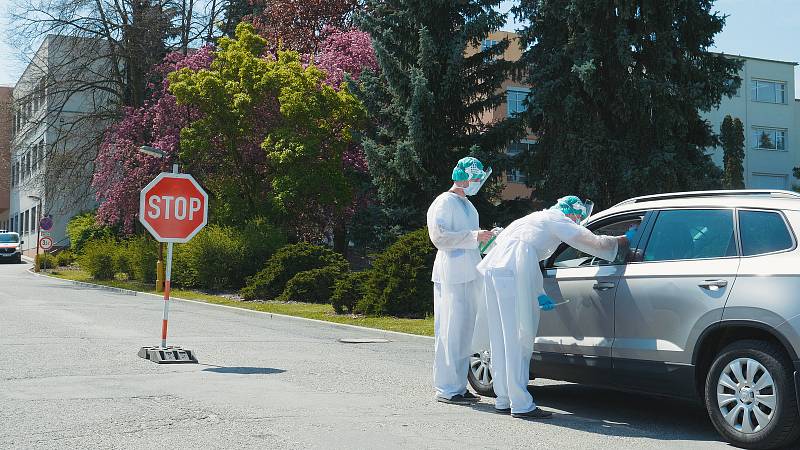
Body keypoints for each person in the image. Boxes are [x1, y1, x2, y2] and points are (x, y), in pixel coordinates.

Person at [476, 196, 635, 418]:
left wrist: (538, 292)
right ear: (572, 212)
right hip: (514, 271)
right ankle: (521, 404)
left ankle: (503, 398)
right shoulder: (557, 219)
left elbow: (519, 254)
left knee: (501, 337)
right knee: (519, 338)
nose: (578, 221)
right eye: (578, 217)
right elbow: (590, 241)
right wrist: (622, 240)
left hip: (495, 269)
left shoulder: (533, 218)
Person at [427, 156, 493, 405]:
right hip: (451, 274)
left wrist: (487, 238)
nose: (477, 183)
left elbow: (471, 238)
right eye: (475, 178)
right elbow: (439, 237)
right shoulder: (444, 202)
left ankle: (458, 386)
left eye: (479, 179)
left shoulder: (470, 206)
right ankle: (446, 388)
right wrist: (474, 236)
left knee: (465, 332)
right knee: (449, 331)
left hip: (470, 272)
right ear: (462, 176)